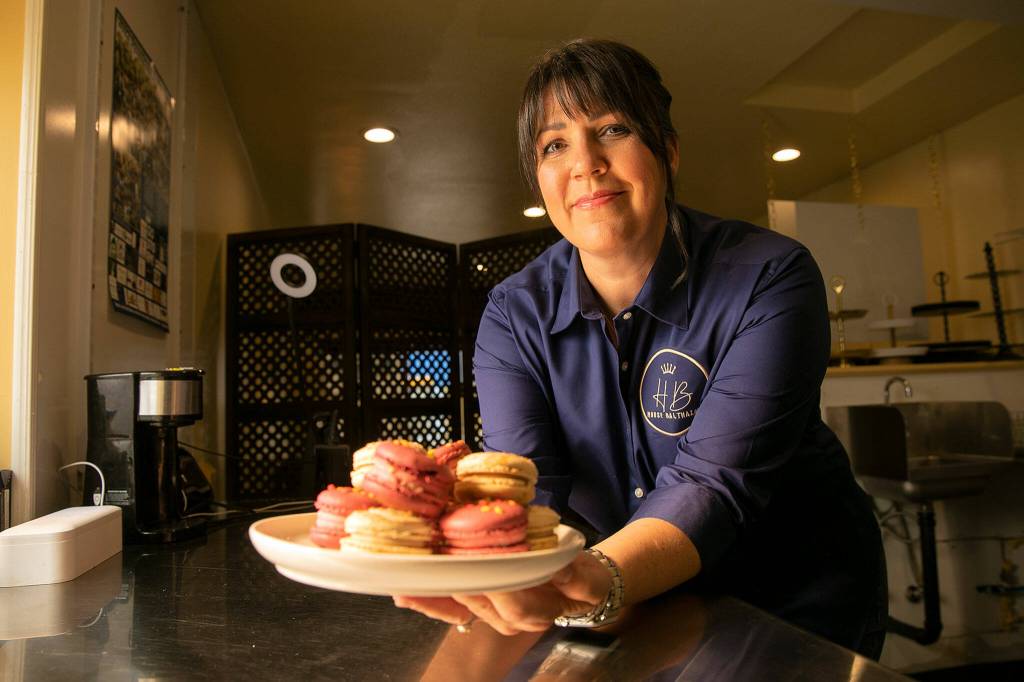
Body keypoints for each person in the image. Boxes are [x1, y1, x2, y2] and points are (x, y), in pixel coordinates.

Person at [395, 38, 887, 658]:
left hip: (789, 598)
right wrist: (489, 575)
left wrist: (589, 580)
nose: (586, 163)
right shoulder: (512, 314)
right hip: (631, 609)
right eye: (555, 145)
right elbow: (527, 488)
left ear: (668, 151)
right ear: (539, 179)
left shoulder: (769, 275)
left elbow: (714, 484)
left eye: (614, 129)